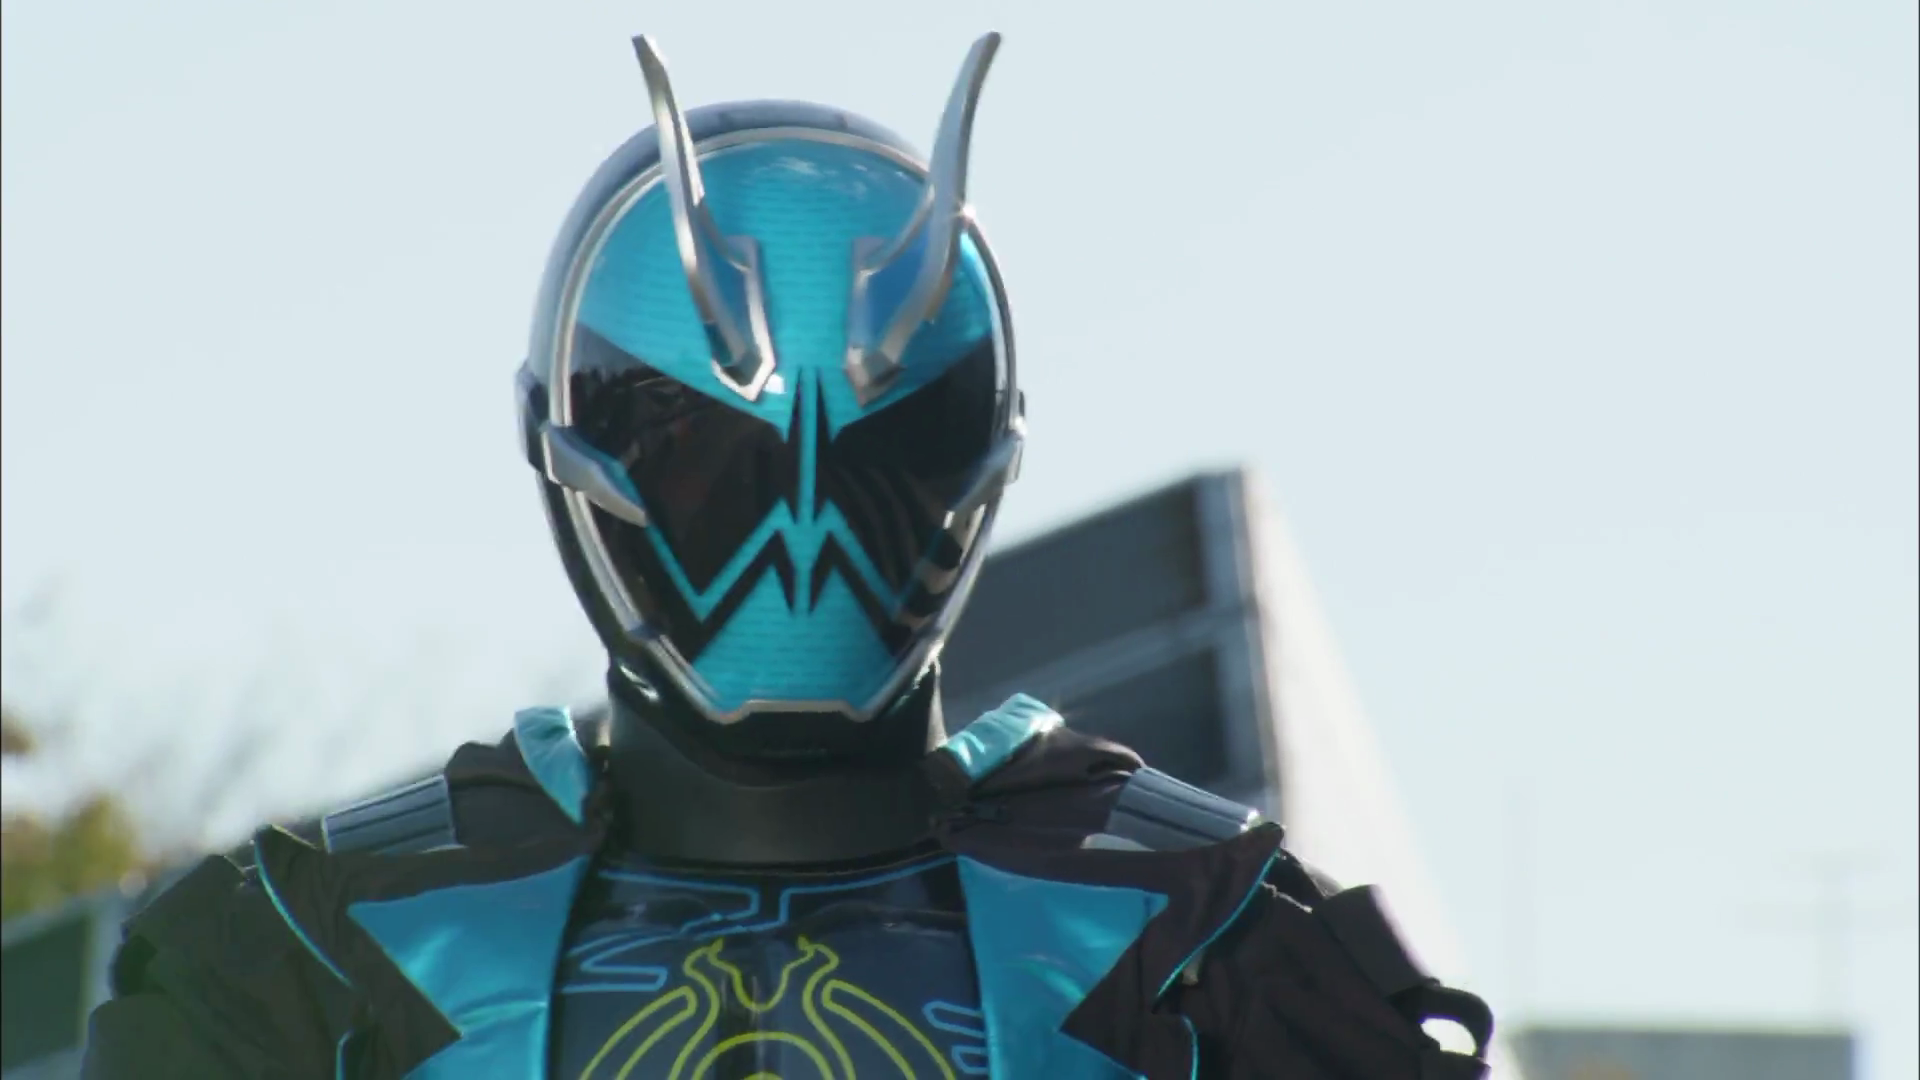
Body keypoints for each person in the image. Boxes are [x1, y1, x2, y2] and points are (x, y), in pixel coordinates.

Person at [81, 32, 1494, 1080]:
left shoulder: (314, 942)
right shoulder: (1211, 931)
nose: (801, 542)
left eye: (873, 464)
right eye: (720, 468)